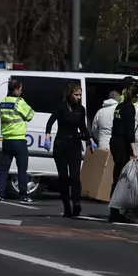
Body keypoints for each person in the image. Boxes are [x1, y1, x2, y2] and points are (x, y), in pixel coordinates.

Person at [44, 83, 97, 218]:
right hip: (61, 144)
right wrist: (47, 137)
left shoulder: (80, 109)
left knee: (75, 177)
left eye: (80, 95)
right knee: (63, 178)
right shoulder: (61, 107)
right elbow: (50, 122)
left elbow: (82, 126)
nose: (78, 98)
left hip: (74, 144)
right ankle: (66, 206)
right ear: (69, 94)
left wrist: (90, 139)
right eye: (76, 95)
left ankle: (76, 203)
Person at [0, 79, 35, 203]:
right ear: (16, 89)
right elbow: (30, 115)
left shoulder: (3, 102)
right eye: (20, 89)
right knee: (22, 169)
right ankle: (23, 195)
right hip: (19, 140)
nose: (21, 91)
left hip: (6, 140)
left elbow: (0, 113)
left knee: (3, 169)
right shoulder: (19, 102)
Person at [108, 83, 138, 223]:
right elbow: (129, 131)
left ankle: (115, 210)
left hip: (115, 142)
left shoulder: (119, 106)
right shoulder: (129, 108)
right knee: (121, 179)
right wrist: (134, 149)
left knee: (117, 175)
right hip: (122, 144)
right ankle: (116, 211)